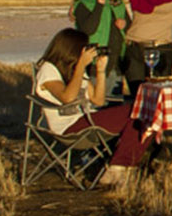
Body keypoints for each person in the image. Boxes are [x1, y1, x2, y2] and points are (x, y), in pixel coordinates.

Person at [33, 28, 154, 185]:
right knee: (140, 111)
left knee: (145, 111)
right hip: (68, 126)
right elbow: (67, 98)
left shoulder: (74, 69)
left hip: (87, 118)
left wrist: (101, 71)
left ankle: (120, 167)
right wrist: (81, 66)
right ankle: (118, 168)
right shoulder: (48, 70)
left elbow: (98, 100)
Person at [70, 0, 131, 96]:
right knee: (98, 100)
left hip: (117, 58)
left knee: (114, 101)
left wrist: (124, 24)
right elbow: (88, 30)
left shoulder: (116, 0)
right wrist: (99, 5)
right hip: (97, 61)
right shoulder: (84, 4)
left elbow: (129, 25)